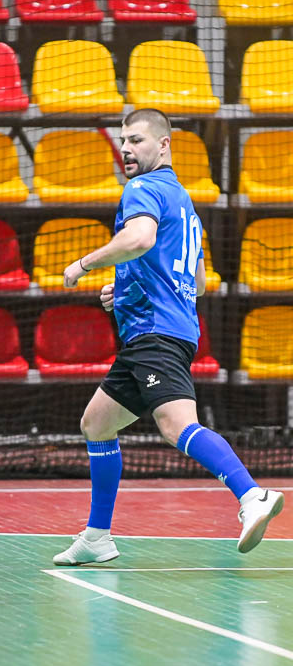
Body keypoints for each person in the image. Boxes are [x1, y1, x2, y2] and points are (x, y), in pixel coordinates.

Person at [54, 108, 284, 566]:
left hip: (154, 331)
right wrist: (125, 287)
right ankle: (97, 536)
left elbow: (139, 239)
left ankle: (251, 495)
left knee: (177, 425)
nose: (125, 149)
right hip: (165, 329)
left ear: (164, 145)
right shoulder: (182, 200)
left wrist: (84, 264)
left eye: (136, 140)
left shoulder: (142, 189)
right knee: (96, 423)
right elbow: (197, 282)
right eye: (123, 140)